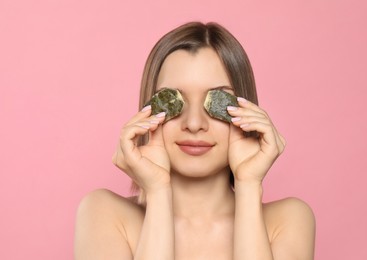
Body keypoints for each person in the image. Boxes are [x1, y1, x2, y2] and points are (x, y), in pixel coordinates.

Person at [74, 21, 315, 260]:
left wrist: (249, 185)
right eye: (173, 100)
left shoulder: (287, 221)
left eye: (218, 102)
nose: (194, 123)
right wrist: (157, 192)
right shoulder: (103, 214)